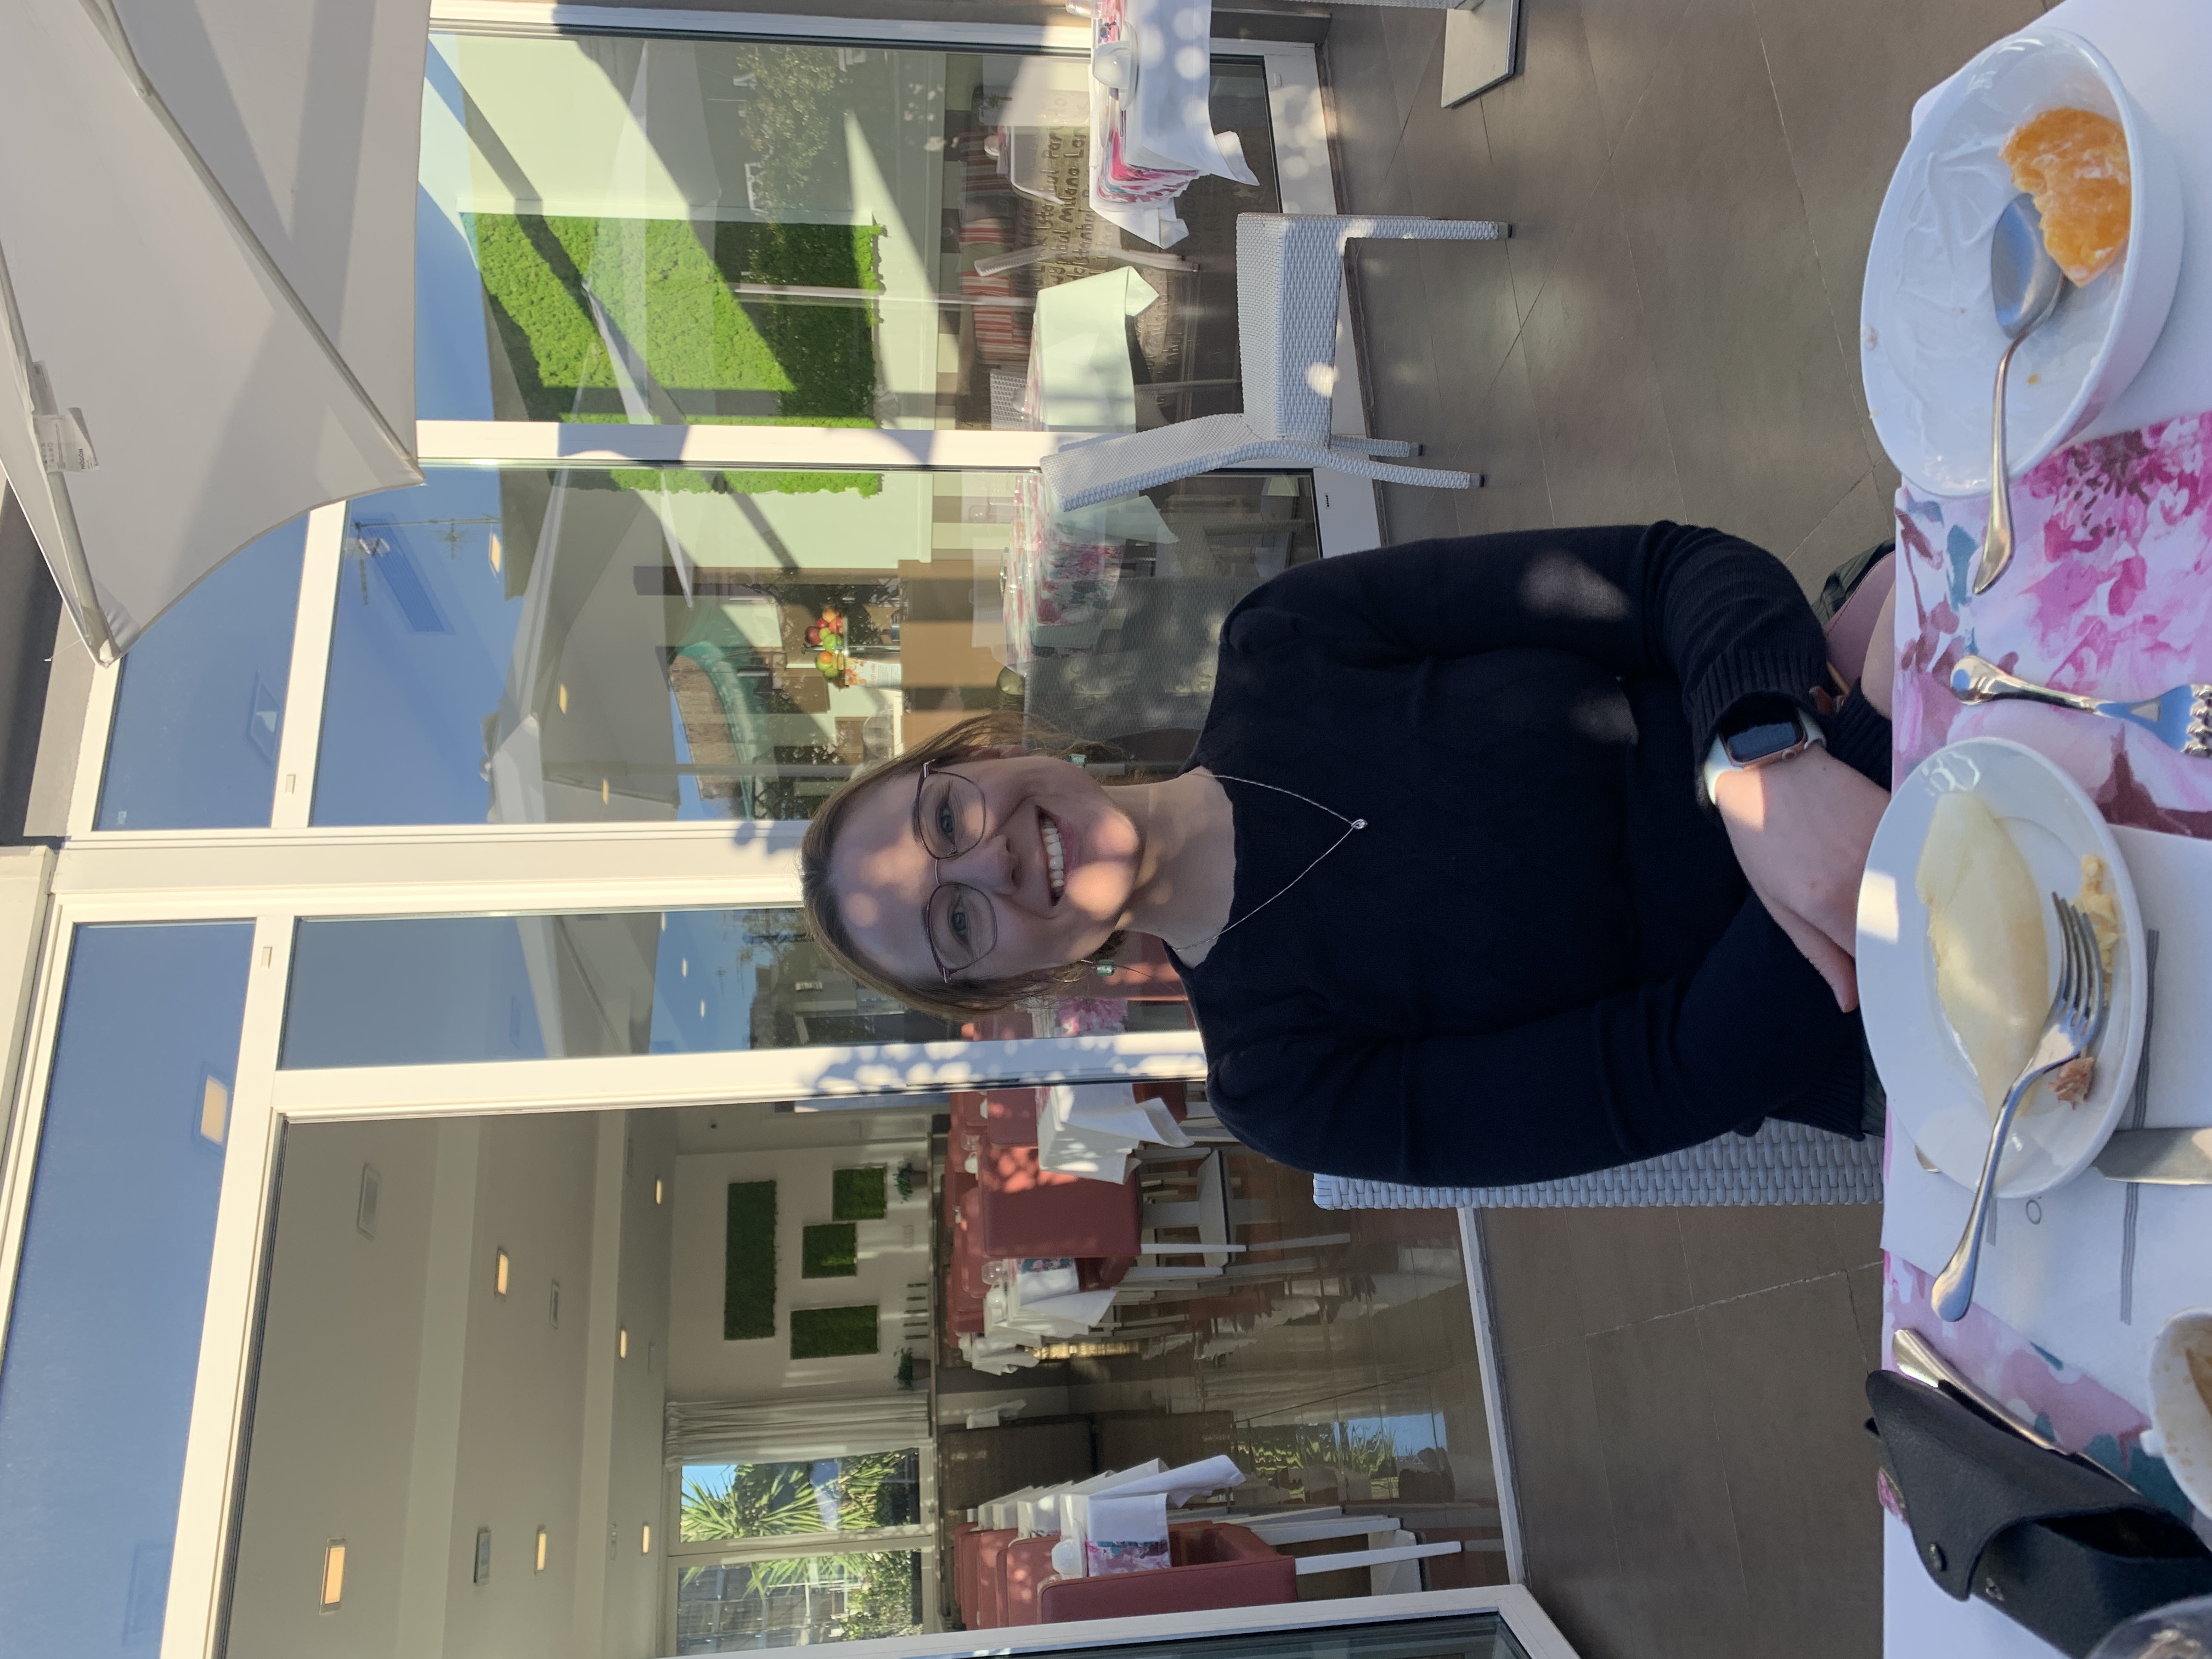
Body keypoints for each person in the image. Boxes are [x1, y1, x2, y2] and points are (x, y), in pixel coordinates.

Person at [799, 523, 1897, 1186]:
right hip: (1876, 1001)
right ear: (1011, 984)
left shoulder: (1287, 637)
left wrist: (1777, 758)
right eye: (956, 921)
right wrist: (1864, 770)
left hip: (1814, 713)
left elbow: (1666, 575)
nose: (989, 863)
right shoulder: (1284, 1083)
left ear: (987, 756)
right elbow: (1671, 1078)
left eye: (947, 820)